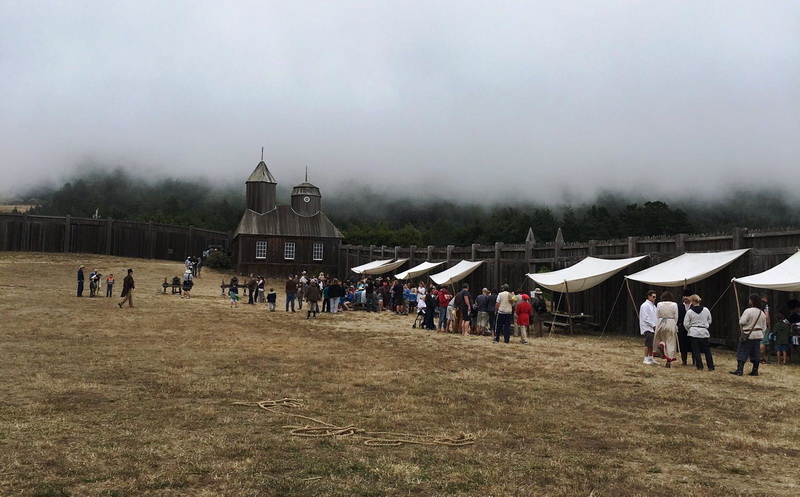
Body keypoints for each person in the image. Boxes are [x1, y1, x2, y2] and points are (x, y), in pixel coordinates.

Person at [731, 293, 767, 376]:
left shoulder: (748, 311)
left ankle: (739, 370)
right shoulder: (762, 313)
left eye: (750, 300)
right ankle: (755, 370)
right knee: (755, 353)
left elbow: (742, 321)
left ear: (752, 301)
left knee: (742, 351)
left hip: (748, 335)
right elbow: (764, 327)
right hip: (758, 335)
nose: (749, 301)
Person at [683, 294, 714, 371]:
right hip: (704, 332)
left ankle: (700, 366)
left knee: (696, 350)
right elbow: (709, 320)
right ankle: (710, 366)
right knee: (707, 351)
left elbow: (686, 323)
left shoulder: (690, 312)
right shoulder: (706, 310)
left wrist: (690, 329)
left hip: (693, 332)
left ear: (692, 302)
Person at [653, 291, 679, 367]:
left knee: (660, 337)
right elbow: (676, 316)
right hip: (670, 321)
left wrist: (657, 323)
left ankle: (661, 345)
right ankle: (669, 360)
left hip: (661, 321)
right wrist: (674, 324)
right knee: (670, 341)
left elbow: (656, 315)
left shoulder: (659, 304)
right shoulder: (674, 305)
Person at [639, 290, 658, 365]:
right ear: (649, 296)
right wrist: (653, 325)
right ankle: (645, 358)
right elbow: (645, 318)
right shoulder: (645, 305)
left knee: (652, 344)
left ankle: (650, 358)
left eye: (655, 297)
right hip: (648, 327)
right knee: (648, 343)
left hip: (653, 328)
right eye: (653, 297)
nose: (654, 298)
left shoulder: (653, 306)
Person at [676, 289, 693, 366]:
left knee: (693, 344)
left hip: (692, 328)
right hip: (682, 328)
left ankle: (694, 360)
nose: (686, 298)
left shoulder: (694, 306)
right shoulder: (679, 306)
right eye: (684, 296)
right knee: (683, 345)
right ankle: (684, 361)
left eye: (688, 296)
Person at [759, 294, 772, 364]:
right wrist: (769, 325)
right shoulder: (765, 305)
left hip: (756, 325)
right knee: (763, 342)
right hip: (763, 325)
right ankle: (761, 358)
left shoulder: (756, 305)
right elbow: (767, 316)